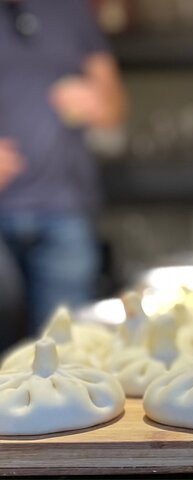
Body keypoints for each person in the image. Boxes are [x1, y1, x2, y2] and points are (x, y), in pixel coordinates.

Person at [0, 0, 127, 334]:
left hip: (64, 207)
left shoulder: (70, 9)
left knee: (64, 352)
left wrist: (95, 100)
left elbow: (114, 105)